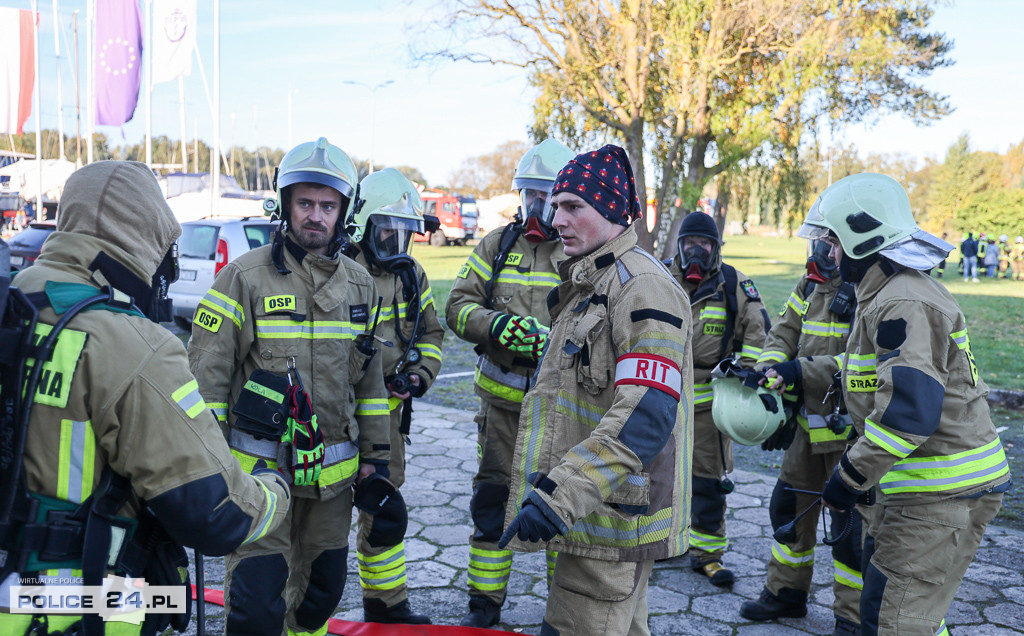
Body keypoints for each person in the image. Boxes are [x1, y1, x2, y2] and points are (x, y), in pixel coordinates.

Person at [0, 161, 290, 635]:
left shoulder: (15, 302)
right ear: (143, 238)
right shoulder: (135, 345)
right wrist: (276, 493)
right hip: (80, 609)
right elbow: (216, 515)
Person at [187, 138, 392, 636]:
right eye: (305, 203)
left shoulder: (362, 286)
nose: (315, 216)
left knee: (321, 593)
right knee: (257, 604)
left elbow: (370, 383)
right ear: (284, 204)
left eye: (327, 205)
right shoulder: (243, 277)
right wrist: (210, 461)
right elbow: (207, 372)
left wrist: (379, 459)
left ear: (345, 211)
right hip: (261, 478)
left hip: (333, 482)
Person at [798, 172, 1010, 635]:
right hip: (919, 493)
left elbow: (907, 413)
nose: (826, 254)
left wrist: (849, 476)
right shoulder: (883, 295)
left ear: (860, 238)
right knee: (910, 617)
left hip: (939, 496)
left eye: (831, 241)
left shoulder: (903, 302)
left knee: (893, 622)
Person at [499, 144, 692, 635]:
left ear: (611, 211)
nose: (555, 217)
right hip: (591, 516)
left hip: (609, 518)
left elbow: (646, 414)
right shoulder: (594, 282)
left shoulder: (642, 287)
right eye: (554, 203)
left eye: (572, 206)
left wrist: (560, 496)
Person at [445, 138, 576, 628]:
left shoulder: (585, 248)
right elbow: (458, 305)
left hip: (564, 411)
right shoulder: (496, 246)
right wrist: (494, 325)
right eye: (530, 196)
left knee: (561, 506)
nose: (538, 209)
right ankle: (484, 604)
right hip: (501, 411)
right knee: (493, 501)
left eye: (549, 197)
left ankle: (563, 612)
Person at [739, 240, 862, 635]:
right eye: (820, 241)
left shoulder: (866, 290)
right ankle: (786, 593)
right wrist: (771, 366)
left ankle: (852, 617)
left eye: (833, 243)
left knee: (849, 530)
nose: (824, 251)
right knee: (788, 508)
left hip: (848, 436)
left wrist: (798, 371)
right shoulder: (807, 286)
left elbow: (861, 362)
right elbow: (781, 335)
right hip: (806, 432)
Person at [340, 168, 443, 625]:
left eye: (405, 233)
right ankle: (302, 606)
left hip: (388, 425)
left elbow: (432, 333)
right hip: (334, 422)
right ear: (362, 224)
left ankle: (385, 608)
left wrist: (420, 375)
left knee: (383, 513)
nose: (396, 244)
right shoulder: (338, 270)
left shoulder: (411, 276)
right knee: (321, 520)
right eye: (387, 230)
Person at [666, 211, 771, 586]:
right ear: (679, 246)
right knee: (656, 478)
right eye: (689, 244)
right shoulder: (659, 278)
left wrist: (743, 372)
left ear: (717, 249)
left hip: (711, 403)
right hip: (661, 396)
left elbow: (760, 334)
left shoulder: (735, 285)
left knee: (708, 482)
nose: (696, 252)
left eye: (704, 245)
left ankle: (707, 555)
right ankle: (662, 546)